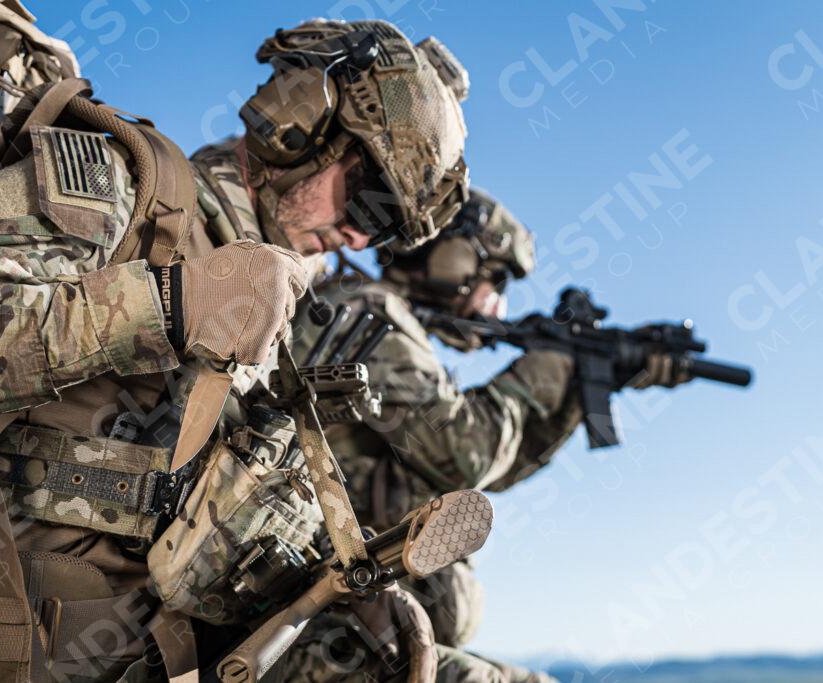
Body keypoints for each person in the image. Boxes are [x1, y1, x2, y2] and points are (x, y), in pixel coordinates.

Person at [0, 17, 469, 682]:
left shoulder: (284, 311)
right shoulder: (124, 192)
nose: (358, 237)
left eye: (385, 232)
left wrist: (336, 586)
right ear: (301, 120)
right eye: (372, 202)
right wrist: (166, 306)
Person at [290, 188, 690, 683]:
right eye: (494, 276)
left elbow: (488, 470)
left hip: (362, 620)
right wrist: (536, 379)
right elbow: (463, 456)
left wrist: (574, 392)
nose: (497, 300)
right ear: (452, 256)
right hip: (326, 617)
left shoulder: (377, 314)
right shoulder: (369, 313)